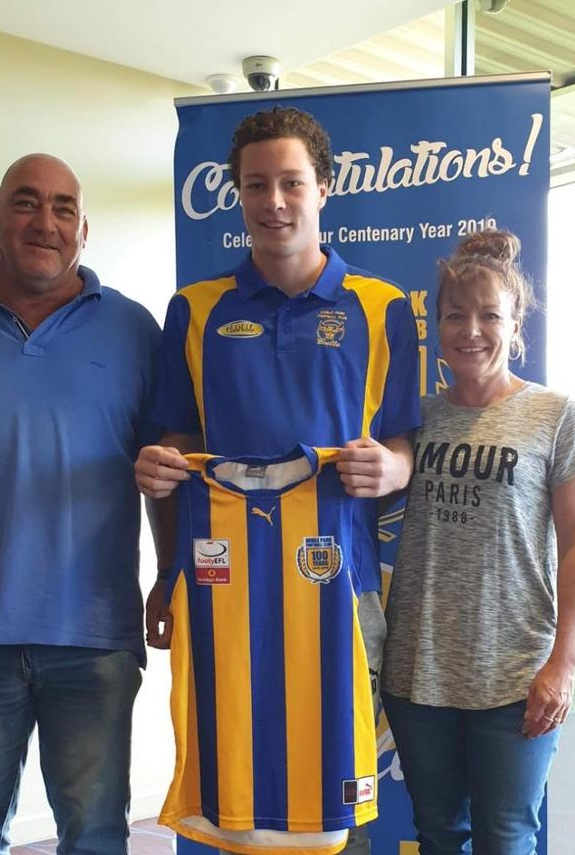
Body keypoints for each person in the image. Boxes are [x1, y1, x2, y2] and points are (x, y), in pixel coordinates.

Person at [135, 107, 421, 854]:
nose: (274, 202)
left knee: (336, 800)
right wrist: (162, 492)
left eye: (292, 182)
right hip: (221, 587)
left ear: (324, 187)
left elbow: (405, 443)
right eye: (256, 185)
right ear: (238, 195)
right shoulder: (194, 311)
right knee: (233, 791)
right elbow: (178, 441)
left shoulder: (382, 307)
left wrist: (393, 465)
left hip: (338, 585)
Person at [0, 154, 165, 855]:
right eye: (26, 203)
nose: (45, 222)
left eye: (63, 208)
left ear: (83, 230)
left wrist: (172, 575)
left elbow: (165, 465)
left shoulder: (133, 330)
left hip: (93, 637)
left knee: (93, 835)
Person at [382, 229, 575, 855]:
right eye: (454, 315)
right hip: (419, 669)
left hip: (516, 670)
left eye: (489, 315)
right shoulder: (414, 418)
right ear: (436, 325)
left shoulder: (555, 415)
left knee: (506, 837)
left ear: (515, 322)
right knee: (438, 836)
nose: (471, 330)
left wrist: (564, 663)